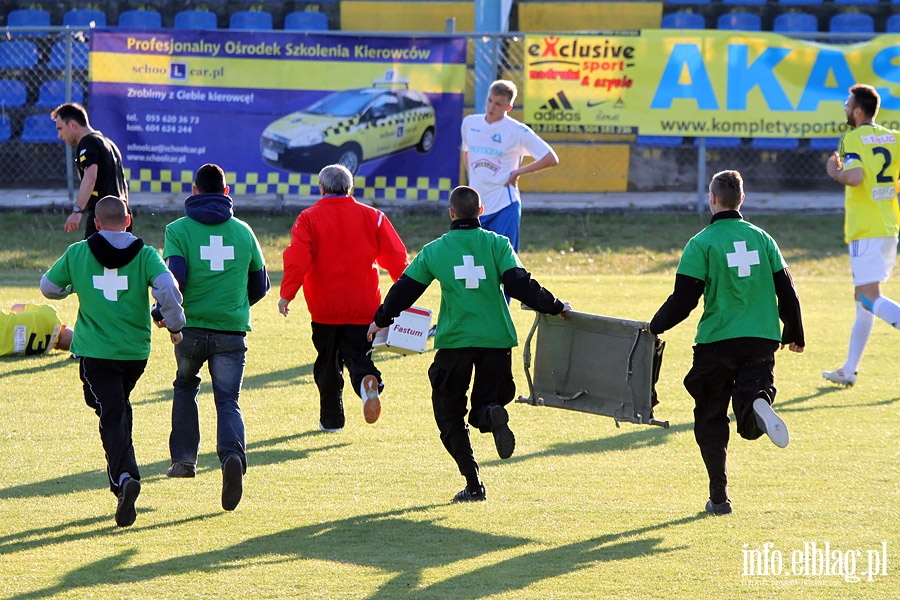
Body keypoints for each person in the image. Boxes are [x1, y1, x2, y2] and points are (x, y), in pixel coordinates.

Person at [367, 185, 570, 503]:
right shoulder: (497, 243)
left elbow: (405, 289)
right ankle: (490, 413)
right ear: (480, 211)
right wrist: (555, 306)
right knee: (485, 405)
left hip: (455, 343)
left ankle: (474, 484)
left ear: (451, 213)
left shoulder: (435, 250)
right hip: (496, 340)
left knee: (449, 415)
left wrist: (382, 318)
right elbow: (521, 284)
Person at [648, 170, 804, 516]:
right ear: (742, 200)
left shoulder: (701, 243)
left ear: (713, 198)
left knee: (710, 415)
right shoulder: (763, 239)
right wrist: (793, 331)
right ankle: (758, 402)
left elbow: (683, 301)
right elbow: (787, 290)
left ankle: (719, 496)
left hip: (717, 342)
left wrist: (654, 326)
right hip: (762, 340)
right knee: (749, 413)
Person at [40, 195, 185, 527]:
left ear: (96, 223)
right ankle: (123, 477)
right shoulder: (146, 255)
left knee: (109, 410)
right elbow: (168, 288)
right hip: (135, 354)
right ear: (128, 220)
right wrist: (175, 326)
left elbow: (48, 287)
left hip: (96, 352)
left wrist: (71, 288)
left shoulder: (78, 253)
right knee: (116, 406)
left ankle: (124, 478)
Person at [159, 163, 269, 512]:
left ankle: (184, 461)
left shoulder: (178, 230)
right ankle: (232, 457)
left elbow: (174, 279)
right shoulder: (244, 231)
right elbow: (261, 285)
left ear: (194, 192)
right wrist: (234, 306)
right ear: (226, 193)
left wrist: (161, 314)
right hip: (231, 330)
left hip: (189, 329)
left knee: (185, 385)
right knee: (228, 400)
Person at [279, 164, 408, 433]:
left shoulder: (308, 218)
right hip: (364, 306)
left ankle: (332, 420)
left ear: (322, 188)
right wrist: (405, 293)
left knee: (327, 364)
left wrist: (286, 295)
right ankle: (367, 383)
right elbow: (396, 258)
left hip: (325, 308)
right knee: (358, 357)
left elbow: (297, 259)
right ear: (350, 187)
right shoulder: (373, 217)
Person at [823, 83, 900, 387]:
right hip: (888, 226)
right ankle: (849, 369)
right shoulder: (894, 138)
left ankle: (849, 369)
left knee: (869, 297)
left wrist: (834, 172)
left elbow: (854, 177)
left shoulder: (851, 139)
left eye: (847, 103)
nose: (844, 107)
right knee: (862, 299)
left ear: (857, 111)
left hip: (865, 229)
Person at [461, 79, 558, 252]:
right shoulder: (470, 123)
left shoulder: (517, 131)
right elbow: (467, 152)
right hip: (477, 208)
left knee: (505, 262)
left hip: (504, 205)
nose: (491, 107)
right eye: (490, 101)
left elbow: (551, 158)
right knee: (475, 261)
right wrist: (473, 180)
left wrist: (518, 172)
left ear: (508, 108)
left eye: (498, 104)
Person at [52, 102, 130, 239]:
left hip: (104, 214)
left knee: (93, 259)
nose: (59, 135)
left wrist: (77, 211)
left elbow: (90, 177)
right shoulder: (108, 143)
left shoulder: (88, 142)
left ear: (73, 125)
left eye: (60, 128)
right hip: (121, 213)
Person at [0, 303, 72, 356]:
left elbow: (15, 308)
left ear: (64, 326)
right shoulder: (44, 350)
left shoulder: (51, 314)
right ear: (57, 347)